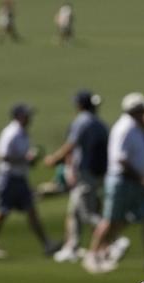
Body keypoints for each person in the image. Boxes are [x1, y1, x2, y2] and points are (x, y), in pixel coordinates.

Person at [82, 93, 144, 273]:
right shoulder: (125, 128)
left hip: (133, 181)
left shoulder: (135, 127)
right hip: (123, 181)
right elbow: (121, 158)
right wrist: (141, 177)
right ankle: (93, 254)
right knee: (112, 220)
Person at [0, 103, 55, 259]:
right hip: (8, 178)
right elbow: (3, 155)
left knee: (31, 212)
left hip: (20, 177)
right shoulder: (11, 132)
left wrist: (29, 160)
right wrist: (24, 159)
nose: (30, 118)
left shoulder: (22, 133)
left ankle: (47, 244)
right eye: (27, 115)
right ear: (19, 116)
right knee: (1, 212)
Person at [45, 90, 110, 263]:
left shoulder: (82, 121)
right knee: (74, 210)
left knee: (86, 212)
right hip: (97, 173)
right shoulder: (100, 123)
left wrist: (54, 159)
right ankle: (71, 247)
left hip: (85, 172)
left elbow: (71, 145)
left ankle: (113, 241)